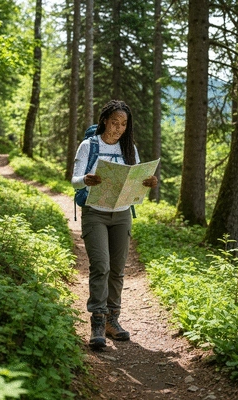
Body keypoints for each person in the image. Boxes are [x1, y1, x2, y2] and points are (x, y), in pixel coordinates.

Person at [71, 100, 158, 349]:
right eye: (114, 123)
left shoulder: (129, 148)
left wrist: (147, 182)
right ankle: (97, 323)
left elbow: (137, 178)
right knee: (101, 266)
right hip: (94, 213)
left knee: (118, 269)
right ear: (105, 121)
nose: (118, 128)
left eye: (123, 124)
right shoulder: (89, 145)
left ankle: (113, 320)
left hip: (122, 214)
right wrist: (86, 179)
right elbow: (74, 180)